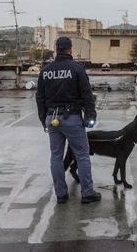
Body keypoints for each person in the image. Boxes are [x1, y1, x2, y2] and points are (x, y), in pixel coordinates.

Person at [36, 36, 101, 204]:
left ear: (56, 49)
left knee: (56, 156)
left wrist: (44, 119)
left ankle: (61, 194)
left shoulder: (46, 71)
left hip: (52, 118)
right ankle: (87, 193)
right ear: (70, 50)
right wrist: (90, 116)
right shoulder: (77, 69)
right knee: (82, 155)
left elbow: (40, 98)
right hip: (71, 117)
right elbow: (87, 95)